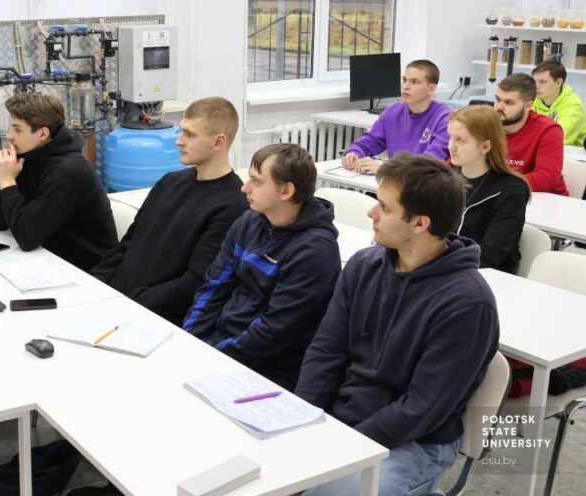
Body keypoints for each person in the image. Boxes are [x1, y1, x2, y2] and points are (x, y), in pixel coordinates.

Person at [296, 154, 499, 496]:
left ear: (419, 223)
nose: (371, 213)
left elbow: (421, 409)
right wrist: (304, 420)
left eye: (385, 207)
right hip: (343, 419)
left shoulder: (467, 305)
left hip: (413, 444)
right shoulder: (363, 265)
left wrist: (343, 448)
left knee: (320, 491)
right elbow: (325, 351)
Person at [182, 143, 340, 389]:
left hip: (269, 369)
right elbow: (213, 288)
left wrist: (212, 357)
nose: (244, 188)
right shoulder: (248, 222)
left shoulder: (315, 251)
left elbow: (273, 332)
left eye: (256, 181)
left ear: (286, 190)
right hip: (222, 346)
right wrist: (188, 341)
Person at [91, 97, 247, 324]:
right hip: (116, 303)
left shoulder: (233, 206)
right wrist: (95, 282)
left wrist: (129, 305)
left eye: (190, 135)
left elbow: (193, 284)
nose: (179, 141)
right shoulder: (169, 182)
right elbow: (129, 243)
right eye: (181, 131)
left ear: (218, 142)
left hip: (152, 318)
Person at [0, 92, 117, 271]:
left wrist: (7, 181)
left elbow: (26, 237)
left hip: (89, 272)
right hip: (50, 258)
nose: (9, 135)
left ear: (43, 133)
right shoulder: (28, 156)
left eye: (17, 129)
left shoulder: (69, 171)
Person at [448, 105, 531, 273]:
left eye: (460, 140)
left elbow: (491, 254)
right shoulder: (445, 177)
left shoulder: (511, 191)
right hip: (446, 269)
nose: (451, 146)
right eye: (450, 137)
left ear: (485, 147)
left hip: (485, 277)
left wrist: (439, 260)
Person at [343, 59, 451, 174]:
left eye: (414, 82)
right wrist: (354, 153)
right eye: (404, 80)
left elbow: (429, 164)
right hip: (394, 180)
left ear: (431, 89)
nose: (406, 86)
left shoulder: (445, 118)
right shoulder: (392, 111)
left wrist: (384, 170)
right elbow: (369, 141)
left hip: (425, 183)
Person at [495, 73, 569, 195]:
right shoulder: (488, 124)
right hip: (503, 195)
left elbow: (547, 178)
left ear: (528, 106)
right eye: (498, 100)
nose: (499, 107)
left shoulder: (548, 130)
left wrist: (497, 184)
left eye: (508, 103)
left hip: (545, 200)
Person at [532, 59, 586, 147]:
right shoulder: (533, 99)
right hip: (543, 148)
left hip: (572, 153)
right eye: (534, 81)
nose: (536, 86)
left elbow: (556, 138)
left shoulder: (573, 105)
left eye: (542, 82)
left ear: (558, 83)